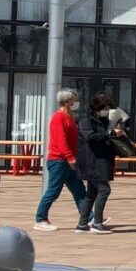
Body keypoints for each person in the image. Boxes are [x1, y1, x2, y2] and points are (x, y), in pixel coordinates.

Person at [33, 88, 89, 231]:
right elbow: (60, 140)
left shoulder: (69, 116)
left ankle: (89, 217)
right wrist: (70, 157)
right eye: (74, 99)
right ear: (67, 101)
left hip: (68, 160)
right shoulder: (59, 117)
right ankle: (40, 219)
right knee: (53, 191)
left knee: (79, 190)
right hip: (59, 161)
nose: (76, 101)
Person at [74, 92, 124, 233]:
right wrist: (110, 134)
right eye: (105, 108)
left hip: (102, 160)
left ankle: (82, 224)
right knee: (104, 190)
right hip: (93, 161)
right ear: (97, 107)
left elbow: (107, 135)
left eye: (108, 108)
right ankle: (96, 223)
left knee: (92, 193)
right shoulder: (86, 121)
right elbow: (91, 137)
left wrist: (118, 126)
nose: (106, 111)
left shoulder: (105, 121)